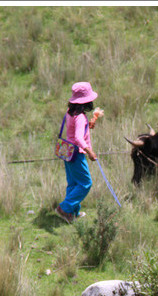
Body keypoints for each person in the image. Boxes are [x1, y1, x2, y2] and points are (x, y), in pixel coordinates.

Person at [56, 81, 103, 223]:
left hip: (67, 151)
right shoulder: (81, 117)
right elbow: (78, 137)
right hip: (77, 153)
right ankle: (64, 208)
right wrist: (89, 151)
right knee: (85, 183)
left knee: (73, 183)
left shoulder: (70, 113)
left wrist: (89, 125)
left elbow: (73, 131)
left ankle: (73, 212)